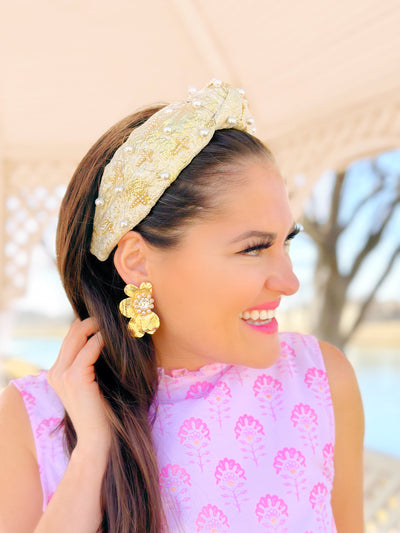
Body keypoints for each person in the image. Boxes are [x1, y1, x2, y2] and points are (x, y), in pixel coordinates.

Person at [0, 80, 364, 533]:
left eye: (285, 241)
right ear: (137, 261)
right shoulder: (33, 419)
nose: (289, 281)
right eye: (253, 248)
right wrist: (93, 450)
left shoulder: (321, 380)